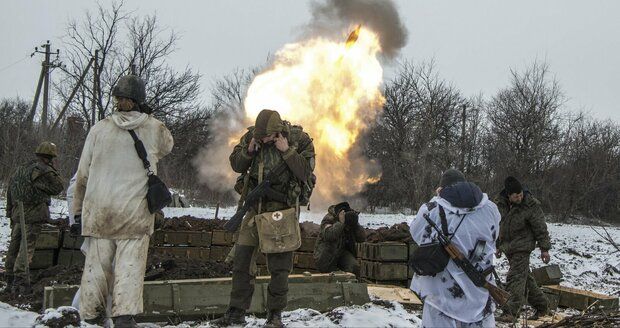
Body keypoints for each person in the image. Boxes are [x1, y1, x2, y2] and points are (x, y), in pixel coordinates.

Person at [72, 74, 173, 327]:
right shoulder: (154, 128)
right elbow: (167, 146)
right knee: (130, 269)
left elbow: (82, 176)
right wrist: (149, 118)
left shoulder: (99, 129)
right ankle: (124, 318)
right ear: (140, 99)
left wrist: (76, 213)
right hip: (134, 215)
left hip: (99, 212)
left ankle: (92, 317)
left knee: (96, 269)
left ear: (117, 99)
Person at [212, 109, 315, 328]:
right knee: (241, 262)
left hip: (282, 211)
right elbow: (236, 165)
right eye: (260, 137)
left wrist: (287, 152)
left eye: (266, 137)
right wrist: (249, 151)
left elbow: (306, 173)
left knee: (279, 268)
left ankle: (274, 315)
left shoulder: (299, 140)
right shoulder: (252, 137)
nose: (263, 140)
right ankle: (236, 313)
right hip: (254, 209)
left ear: (278, 132)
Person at [409, 169, 500, 327]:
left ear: (442, 189)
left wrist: (438, 197)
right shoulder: (491, 208)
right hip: (479, 293)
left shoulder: (432, 209)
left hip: (442, 295)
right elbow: (494, 236)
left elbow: (417, 234)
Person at [4, 142, 64, 293]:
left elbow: (10, 192)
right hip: (34, 215)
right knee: (26, 248)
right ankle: (21, 281)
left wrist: (10, 213)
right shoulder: (43, 170)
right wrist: (45, 185)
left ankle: (9, 277)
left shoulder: (21, 168)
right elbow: (58, 187)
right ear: (50, 157)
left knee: (14, 246)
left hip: (18, 214)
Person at [495, 176, 551, 322]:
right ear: (508, 195)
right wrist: (497, 245)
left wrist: (544, 248)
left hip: (523, 247)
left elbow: (540, 227)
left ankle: (511, 312)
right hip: (508, 247)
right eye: (516, 196)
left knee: (515, 278)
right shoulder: (501, 204)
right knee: (525, 280)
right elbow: (497, 224)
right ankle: (543, 306)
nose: (519, 198)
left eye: (520, 194)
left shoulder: (530, 204)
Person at [314, 202, 365, 278]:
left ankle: (350, 287)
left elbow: (361, 238)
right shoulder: (328, 219)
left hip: (342, 252)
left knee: (354, 267)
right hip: (326, 255)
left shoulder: (349, 220)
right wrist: (340, 223)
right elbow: (329, 235)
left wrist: (355, 224)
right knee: (332, 277)